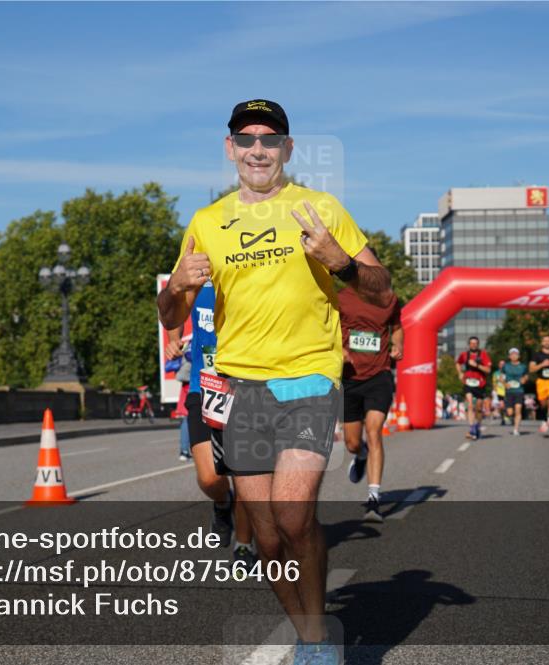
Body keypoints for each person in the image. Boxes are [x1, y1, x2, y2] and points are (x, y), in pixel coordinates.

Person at [157, 99, 390, 664]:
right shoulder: (207, 223)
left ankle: (317, 644)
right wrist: (175, 287)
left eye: (269, 138)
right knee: (264, 536)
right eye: (246, 139)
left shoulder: (319, 208)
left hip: (308, 380)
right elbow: (170, 317)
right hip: (241, 389)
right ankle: (309, 630)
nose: (257, 149)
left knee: (292, 515)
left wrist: (340, 261)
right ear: (230, 148)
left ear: (287, 148)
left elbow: (382, 290)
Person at [166, 281, 256, 573]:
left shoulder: (252, 277)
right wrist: (173, 338)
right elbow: (172, 305)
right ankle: (221, 504)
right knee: (209, 478)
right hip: (204, 388)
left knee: (243, 475)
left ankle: (244, 545)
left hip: (247, 389)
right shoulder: (198, 279)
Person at [339, 278, 403, 523]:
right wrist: (338, 350)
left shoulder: (389, 299)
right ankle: (361, 454)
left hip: (379, 375)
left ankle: (374, 498)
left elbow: (397, 327)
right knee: (352, 443)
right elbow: (325, 329)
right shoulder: (340, 298)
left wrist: (398, 345)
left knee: (374, 431)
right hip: (349, 378)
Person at [455, 337, 492, 440]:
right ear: (469, 344)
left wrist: (477, 365)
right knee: (470, 405)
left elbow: (488, 370)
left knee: (479, 408)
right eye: (471, 343)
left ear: (478, 344)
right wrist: (460, 373)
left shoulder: (483, 354)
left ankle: (478, 426)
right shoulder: (464, 355)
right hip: (468, 382)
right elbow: (458, 363)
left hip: (480, 384)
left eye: (475, 343)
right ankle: (472, 428)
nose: (473, 345)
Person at [500, 348, 528, 436]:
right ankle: (511, 417)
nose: (514, 356)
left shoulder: (523, 366)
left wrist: (524, 379)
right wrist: (505, 384)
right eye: (512, 354)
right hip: (509, 392)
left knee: (518, 410)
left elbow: (526, 376)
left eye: (516, 354)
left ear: (519, 356)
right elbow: (501, 377)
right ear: (509, 356)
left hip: (519, 391)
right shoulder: (506, 366)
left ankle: (516, 429)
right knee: (510, 412)